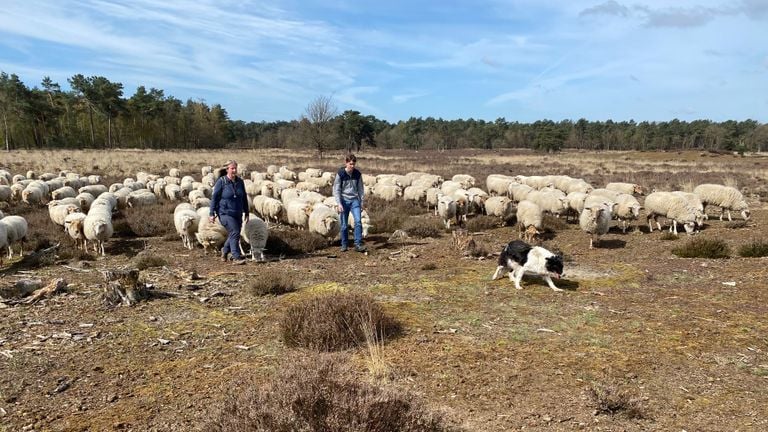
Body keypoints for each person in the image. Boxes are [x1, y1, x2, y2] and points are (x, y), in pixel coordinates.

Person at [209, 160, 249, 264]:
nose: (234, 170)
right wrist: (211, 213)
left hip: (237, 213)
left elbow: (244, 197)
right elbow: (214, 198)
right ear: (227, 170)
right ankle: (236, 256)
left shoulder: (240, 182)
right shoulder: (221, 182)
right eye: (232, 168)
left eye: (235, 168)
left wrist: (247, 212)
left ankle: (225, 251)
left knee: (234, 233)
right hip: (225, 213)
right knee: (235, 232)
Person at [333, 154, 367, 253]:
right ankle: (344, 244)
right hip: (343, 200)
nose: (352, 166)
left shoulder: (357, 174)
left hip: (354, 200)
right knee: (344, 224)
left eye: (354, 164)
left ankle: (358, 244)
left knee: (358, 221)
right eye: (350, 164)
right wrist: (339, 203)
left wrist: (361, 202)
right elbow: (337, 189)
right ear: (346, 163)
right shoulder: (340, 174)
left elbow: (361, 189)